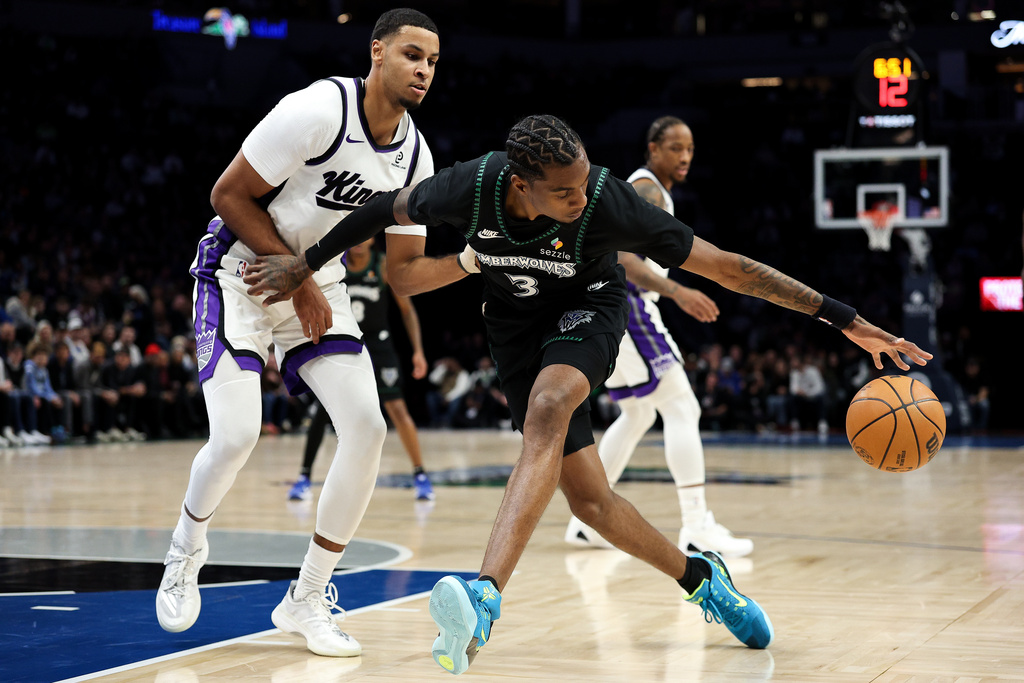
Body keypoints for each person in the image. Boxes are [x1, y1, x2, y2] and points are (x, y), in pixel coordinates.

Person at [243, 114, 932, 675]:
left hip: (590, 312)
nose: (579, 199)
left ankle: (484, 595)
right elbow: (378, 209)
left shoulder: (607, 200)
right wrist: (304, 261)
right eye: (563, 192)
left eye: (581, 187)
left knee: (548, 410)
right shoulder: (469, 187)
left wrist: (843, 318)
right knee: (593, 503)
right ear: (520, 184)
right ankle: (703, 578)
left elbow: (728, 268)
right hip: (513, 330)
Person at [155, 8, 440, 659]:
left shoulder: (418, 155)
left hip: (318, 284)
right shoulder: (318, 109)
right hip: (241, 274)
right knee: (235, 435)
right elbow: (227, 194)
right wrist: (302, 277)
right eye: (412, 55)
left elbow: (404, 273)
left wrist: (482, 259)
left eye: (432, 61)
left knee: (368, 427)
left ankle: (306, 597)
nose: (423, 69)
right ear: (377, 53)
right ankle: (185, 548)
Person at [562, 116, 752, 557]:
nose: (684, 156)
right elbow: (624, 257)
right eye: (675, 148)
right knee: (682, 406)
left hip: (606, 306)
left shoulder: (648, 188)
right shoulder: (647, 190)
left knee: (638, 413)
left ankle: (587, 519)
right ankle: (696, 526)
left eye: (689, 148)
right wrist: (678, 290)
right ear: (653, 149)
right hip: (628, 306)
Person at [289, 237, 434, 502]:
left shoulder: (382, 266)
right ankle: (303, 477)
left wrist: (418, 351)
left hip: (379, 345)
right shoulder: (335, 263)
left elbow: (407, 310)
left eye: (365, 235)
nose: (358, 241)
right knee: (322, 411)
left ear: (372, 238)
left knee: (398, 409)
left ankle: (420, 475)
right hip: (344, 343)